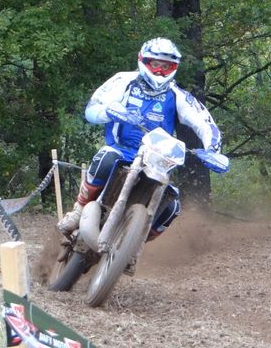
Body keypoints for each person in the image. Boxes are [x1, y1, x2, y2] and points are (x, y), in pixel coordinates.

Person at [57, 37, 222, 246]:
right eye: (156, 64)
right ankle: (79, 210)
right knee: (105, 158)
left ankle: (135, 242)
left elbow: (204, 123)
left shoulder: (178, 95)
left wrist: (213, 150)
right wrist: (111, 111)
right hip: (121, 150)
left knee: (172, 205)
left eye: (167, 66)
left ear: (174, 67)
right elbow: (92, 109)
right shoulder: (124, 81)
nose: (161, 71)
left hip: (156, 161)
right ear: (144, 61)